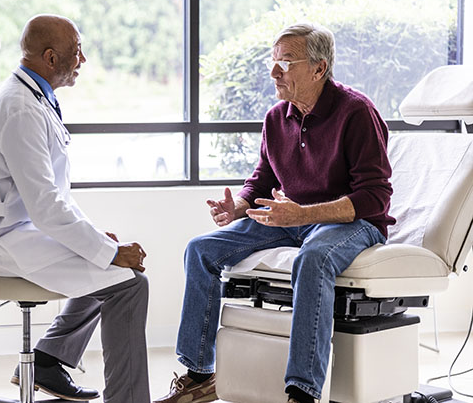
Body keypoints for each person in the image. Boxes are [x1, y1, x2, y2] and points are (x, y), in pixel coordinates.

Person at [154, 22, 395, 403]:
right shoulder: (276, 117)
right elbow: (263, 179)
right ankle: (199, 375)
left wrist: (303, 215)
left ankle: (302, 391)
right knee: (200, 250)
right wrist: (238, 206)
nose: (273, 72)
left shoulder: (356, 112)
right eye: (273, 61)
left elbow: (376, 196)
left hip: (353, 222)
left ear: (318, 68)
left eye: (285, 62)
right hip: (291, 219)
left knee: (313, 258)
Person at [0, 14, 151, 403]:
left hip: (18, 229)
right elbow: (46, 205)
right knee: (129, 284)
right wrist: (108, 250)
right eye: (76, 51)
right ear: (50, 57)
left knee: (105, 264)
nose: (83, 60)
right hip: (1, 239)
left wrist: (97, 242)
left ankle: (47, 359)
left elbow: (51, 196)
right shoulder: (20, 109)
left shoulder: (33, 97)